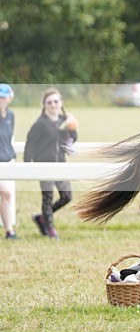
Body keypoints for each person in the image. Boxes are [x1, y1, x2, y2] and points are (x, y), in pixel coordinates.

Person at [23, 88, 78, 239]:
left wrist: (72, 126)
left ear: (61, 102)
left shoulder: (63, 119)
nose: (53, 104)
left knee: (66, 196)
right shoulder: (40, 123)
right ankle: (50, 228)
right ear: (44, 105)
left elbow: (73, 137)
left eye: (56, 101)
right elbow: (30, 144)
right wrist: (27, 164)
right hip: (44, 164)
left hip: (60, 163)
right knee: (48, 197)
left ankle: (41, 218)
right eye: (49, 102)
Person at [1, 83, 17, 239]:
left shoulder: (10, 116)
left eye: (3, 97)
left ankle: (9, 231)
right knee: (5, 192)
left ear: (9, 99)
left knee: (6, 195)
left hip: (6, 161)